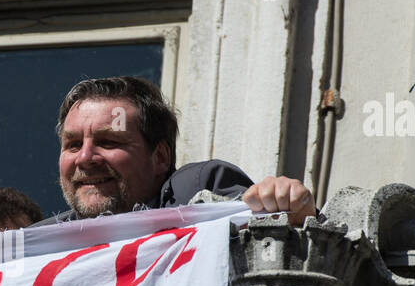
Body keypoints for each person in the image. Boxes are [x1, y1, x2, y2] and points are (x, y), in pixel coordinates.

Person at [38, 75, 317, 226]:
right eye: (73, 145)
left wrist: (287, 207)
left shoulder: (198, 187)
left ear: (159, 157)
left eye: (109, 142)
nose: (85, 158)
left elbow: (272, 228)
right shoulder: (40, 241)